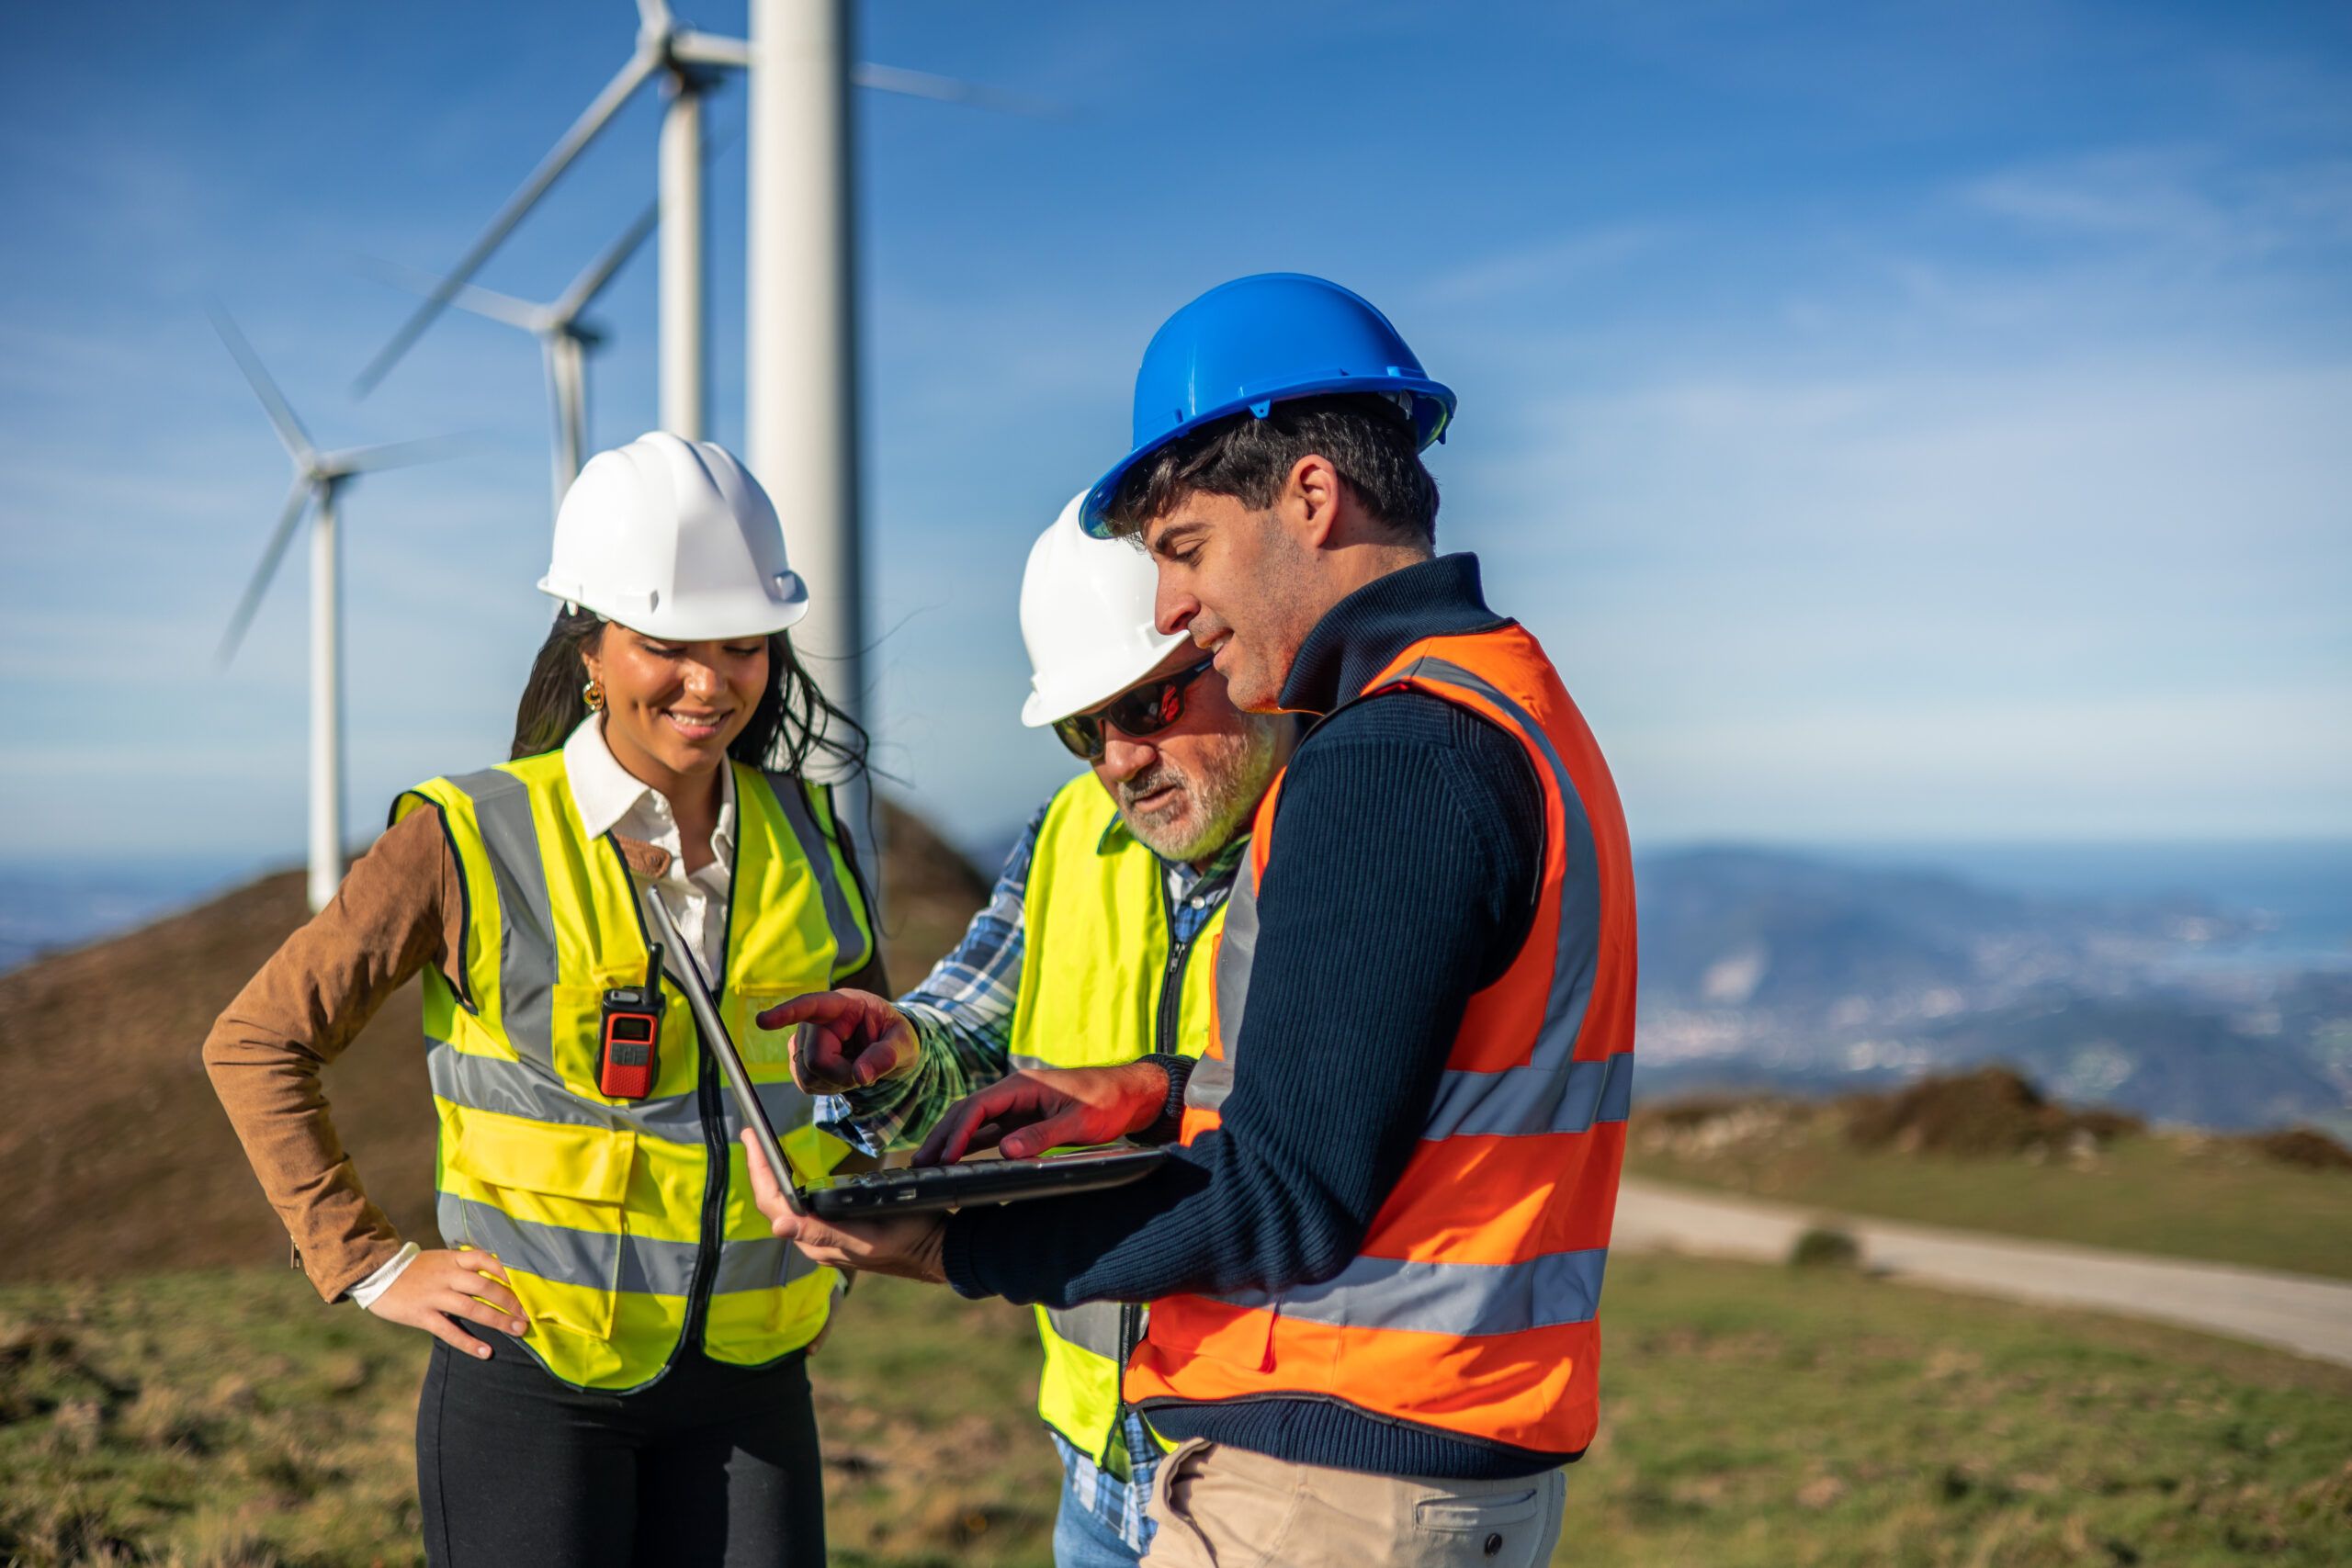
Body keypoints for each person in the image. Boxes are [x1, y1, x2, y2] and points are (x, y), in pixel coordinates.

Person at [742, 275, 1638, 1568]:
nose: (1170, 605)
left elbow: (1288, 1199)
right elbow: (1378, 1086)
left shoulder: (1389, 759)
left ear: (1312, 496)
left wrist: (954, 1242)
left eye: (1183, 548)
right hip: (1400, 1462)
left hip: (1334, 1480)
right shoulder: (1506, 704)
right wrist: (1146, 1090)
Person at [204, 432, 884, 1567]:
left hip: (759, 1373)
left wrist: (885, 1157)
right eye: (667, 643)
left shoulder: (816, 833)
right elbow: (258, 1042)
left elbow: (869, 1070)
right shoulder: (465, 836)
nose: (710, 682)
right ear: (593, 648)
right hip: (533, 1380)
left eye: (741, 644)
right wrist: (367, 1262)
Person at [766, 492, 1295, 1566]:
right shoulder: (1066, 831)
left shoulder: (1344, 826)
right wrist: (892, 1052)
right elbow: (967, 1028)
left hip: (1274, 1460)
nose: (1115, 761)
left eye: (1145, 708)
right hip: (1097, 1459)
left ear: (1230, 651)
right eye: (1080, 730)